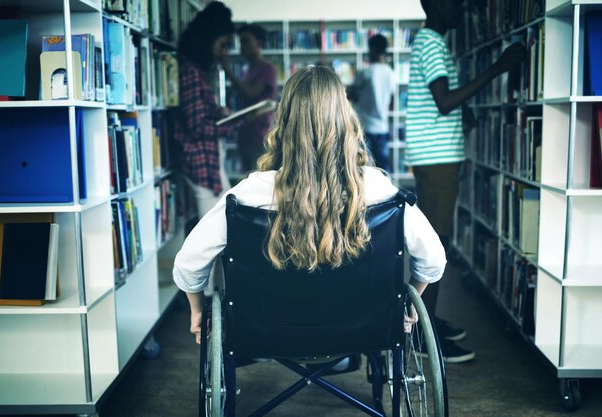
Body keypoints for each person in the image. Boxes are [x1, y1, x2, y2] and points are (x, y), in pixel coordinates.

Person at [173, 66, 447, 349]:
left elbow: (188, 264)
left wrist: (196, 310)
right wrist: (410, 300)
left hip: (269, 331)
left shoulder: (248, 193)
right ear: (345, 119)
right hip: (362, 328)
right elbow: (433, 260)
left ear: (285, 122)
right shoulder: (381, 189)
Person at [405, 0, 525, 362]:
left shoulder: (432, 43)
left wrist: (465, 113)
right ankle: (423, 335)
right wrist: (499, 67)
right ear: (438, 5)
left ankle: (428, 321)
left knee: (436, 240)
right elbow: (443, 101)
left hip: (437, 156)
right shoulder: (430, 43)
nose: (463, 9)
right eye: (456, 2)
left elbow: (440, 100)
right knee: (435, 244)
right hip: (436, 159)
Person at [175, 1, 241, 218]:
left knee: (221, 221)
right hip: (202, 163)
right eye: (222, 45)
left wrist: (220, 113)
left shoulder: (199, 72)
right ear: (208, 39)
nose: (222, 53)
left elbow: (201, 114)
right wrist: (231, 124)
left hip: (209, 160)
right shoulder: (191, 73)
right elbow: (197, 127)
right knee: (214, 228)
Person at [222, 24, 278, 173]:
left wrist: (227, 70)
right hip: (245, 133)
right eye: (240, 42)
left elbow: (251, 93)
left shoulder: (267, 68)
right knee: (248, 178)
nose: (242, 46)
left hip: (260, 135)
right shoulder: (248, 70)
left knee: (259, 178)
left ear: (258, 43)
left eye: (246, 41)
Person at [350, 33, 396, 172]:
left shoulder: (365, 73)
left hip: (365, 128)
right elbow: (392, 103)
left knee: (364, 170)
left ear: (374, 49)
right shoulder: (391, 74)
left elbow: (351, 95)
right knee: (383, 171)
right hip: (382, 128)